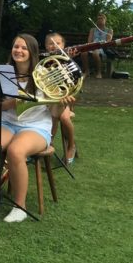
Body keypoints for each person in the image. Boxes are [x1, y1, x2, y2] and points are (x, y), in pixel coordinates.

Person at [0, 33, 65, 223]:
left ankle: (20, 207)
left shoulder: (45, 75)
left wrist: (62, 103)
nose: (19, 50)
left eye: (24, 48)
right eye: (16, 47)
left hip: (36, 126)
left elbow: (55, 113)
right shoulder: (3, 73)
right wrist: (11, 103)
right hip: (7, 122)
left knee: (16, 151)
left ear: (32, 52)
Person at [45, 32, 77, 164]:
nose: (54, 46)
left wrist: (68, 60)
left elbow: (75, 81)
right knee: (51, 115)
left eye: (57, 43)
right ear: (46, 46)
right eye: (50, 43)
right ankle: (47, 142)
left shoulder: (67, 60)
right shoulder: (44, 61)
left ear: (63, 45)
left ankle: (71, 145)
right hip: (48, 98)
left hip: (65, 98)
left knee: (63, 117)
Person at [84, 13, 113, 79]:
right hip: (92, 46)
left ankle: (99, 72)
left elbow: (108, 41)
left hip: (102, 48)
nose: (99, 20)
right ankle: (86, 71)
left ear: (105, 20)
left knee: (95, 53)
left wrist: (102, 43)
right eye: (98, 19)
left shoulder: (109, 30)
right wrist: (91, 45)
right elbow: (89, 41)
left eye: (101, 19)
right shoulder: (92, 30)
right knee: (83, 53)